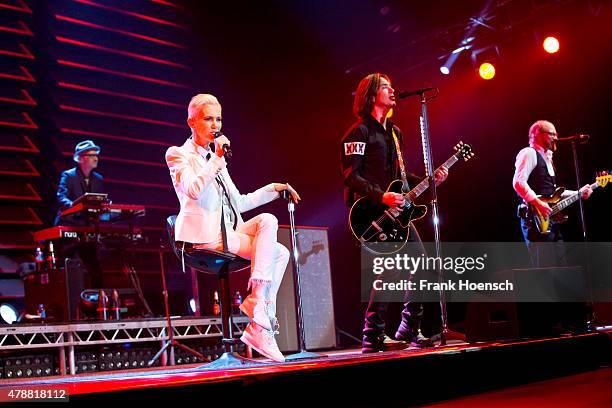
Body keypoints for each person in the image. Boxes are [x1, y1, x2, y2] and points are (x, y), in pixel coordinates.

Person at [165, 94, 300, 362]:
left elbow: (239, 201)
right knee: (273, 240)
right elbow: (191, 190)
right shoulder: (178, 154)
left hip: (228, 232)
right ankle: (260, 316)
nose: (215, 124)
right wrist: (214, 160)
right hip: (203, 239)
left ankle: (259, 314)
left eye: (218, 119)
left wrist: (275, 188)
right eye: (208, 118)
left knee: (278, 245)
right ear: (191, 121)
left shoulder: (217, 158)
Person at [341, 73, 448, 353]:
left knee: (422, 266)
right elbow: (352, 176)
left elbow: (399, 176)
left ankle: (409, 329)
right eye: (386, 87)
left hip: (396, 212)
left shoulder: (395, 133)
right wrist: (381, 195)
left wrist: (429, 179)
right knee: (387, 272)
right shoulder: (359, 132)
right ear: (371, 94)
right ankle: (372, 336)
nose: (392, 90)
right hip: (371, 214)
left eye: (391, 85)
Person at [513, 120, 592, 266]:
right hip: (535, 221)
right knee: (545, 270)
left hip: (551, 222)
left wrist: (578, 193)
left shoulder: (549, 159)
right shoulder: (529, 153)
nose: (556, 137)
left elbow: (552, 194)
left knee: (561, 269)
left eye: (556, 134)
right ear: (537, 135)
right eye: (551, 134)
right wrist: (538, 203)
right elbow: (518, 183)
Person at [55, 140, 105, 288]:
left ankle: (97, 303)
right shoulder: (68, 176)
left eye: (96, 155)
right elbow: (60, 197)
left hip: (86, 228)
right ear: (80, 158)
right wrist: (74, 207)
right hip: (69, 227)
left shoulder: (98, 179)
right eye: (91, 155)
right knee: (65, 266)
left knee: (94, 268)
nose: (96, 158)